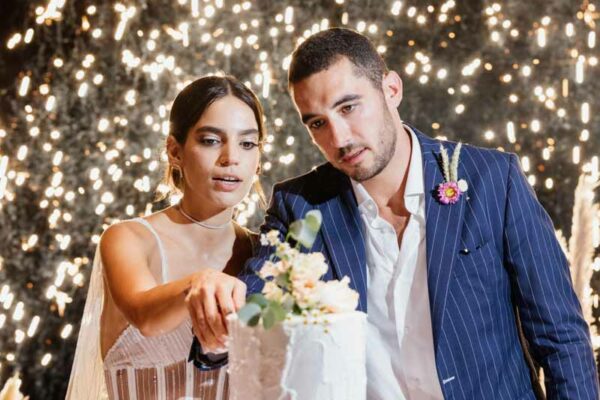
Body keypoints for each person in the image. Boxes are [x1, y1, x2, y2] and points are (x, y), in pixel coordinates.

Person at [191, 28, 599, 399]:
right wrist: (218, 317)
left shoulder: (494, 179)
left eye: (349, 107)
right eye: (317, 123)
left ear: (391, 89)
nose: (339, 138)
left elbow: (560, 335)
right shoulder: (300, 205)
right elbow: (248, 318)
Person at [67, 75, 265, 399]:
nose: (231, 158)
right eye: (211, 140)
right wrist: (199, 282)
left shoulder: (268, 255)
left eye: (247, 143)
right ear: (175, 150)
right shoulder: (127, 239)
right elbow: (144, 315)